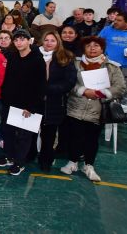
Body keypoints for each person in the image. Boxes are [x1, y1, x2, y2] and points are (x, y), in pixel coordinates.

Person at [60, 36, 126, 182]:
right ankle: (72, 162)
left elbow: (120, 87)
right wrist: (83, 91)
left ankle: (89, 166)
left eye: (96, 45)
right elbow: (69, 83)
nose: (92, 48)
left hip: (98, 109)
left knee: (92, 139)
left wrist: (101, 93)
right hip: (76, 107)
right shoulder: (76, 64)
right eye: (89, 45)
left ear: (102, 48)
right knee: (74, 136)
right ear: (84, 48)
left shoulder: (111, 67)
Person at [0, 29, 46, 176]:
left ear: (29, 41)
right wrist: (5, 97)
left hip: (28, 106)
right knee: (8, 131)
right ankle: (9, 156)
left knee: (24, 136)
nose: (19, 42)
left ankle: (19, 163)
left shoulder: (37, 59)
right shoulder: (13, 56)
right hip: (11, 103)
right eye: (16, 40)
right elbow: (8, 79)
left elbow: (41, 85)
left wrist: (31, 107)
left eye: (22, 39)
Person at [37, 30, 77, 172]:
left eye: (52, 40)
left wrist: (48, 88)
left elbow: (69, 81)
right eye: (46, 40)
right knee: (30, 131)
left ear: (58, 42)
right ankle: (29, 155)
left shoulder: (65, 57)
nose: (49, 43)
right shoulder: (34, 54)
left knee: (49, 134)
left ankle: (46, 159)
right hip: (35, 101)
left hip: (54, 102)